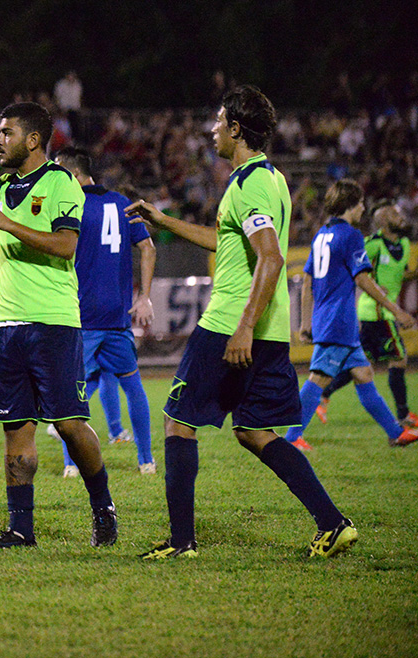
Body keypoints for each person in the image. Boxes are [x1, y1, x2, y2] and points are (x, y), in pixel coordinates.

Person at [127, 85, 357, 559]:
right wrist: (164, 220)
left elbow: (270, 258)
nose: (211, 130)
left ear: (235, 128)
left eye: (217, 121)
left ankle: (181, 541)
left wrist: (244, 324)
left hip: (234, 324)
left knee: (177, 424)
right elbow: (224, 240)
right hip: (268, 330)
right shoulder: (267, 179)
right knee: (255, 432)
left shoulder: (249, 183)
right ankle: (333, 524)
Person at [0, 102, 118, 550]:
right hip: (8, 324)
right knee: (14, 426)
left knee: (71, 424)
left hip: (53, 322)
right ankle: (21, 528)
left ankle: (104, 509)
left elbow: (65, 246)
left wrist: (8, 224)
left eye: (7, 132)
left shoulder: (61, 184)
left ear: (32, 140)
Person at [284, 181, 418, 451]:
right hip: (338, 321)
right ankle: (290, 438)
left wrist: (305, 323)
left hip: (327, 318)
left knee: (364, 372)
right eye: (359, 203)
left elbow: (307, 283)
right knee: (319, 378)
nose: (363, 208)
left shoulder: (321, 234)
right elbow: (364, 280)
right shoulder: (352, 235)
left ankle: (395, 432)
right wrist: (397, 310)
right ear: (349, 205)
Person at [53, 146, 157, 474]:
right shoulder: (122, 202)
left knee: (75, 391)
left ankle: (72, 464)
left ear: (72, 174)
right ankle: (147, 460)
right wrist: (144, 297)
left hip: (81, 315)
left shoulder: (72, 204)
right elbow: (148, 247)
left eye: (57, 172)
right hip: (117, 314)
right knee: (132, 383)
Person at [316, 202, 418, 427]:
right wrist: (369, 285)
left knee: (358, 365)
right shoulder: (372, 244)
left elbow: (401, 274)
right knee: (398, 358)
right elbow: (355, 270)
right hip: (377, 312)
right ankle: (403, 415)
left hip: (380, 313)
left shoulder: (404, 244)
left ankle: (322, 395)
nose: (398, 215)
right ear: (382, 221)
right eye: (392, 213)